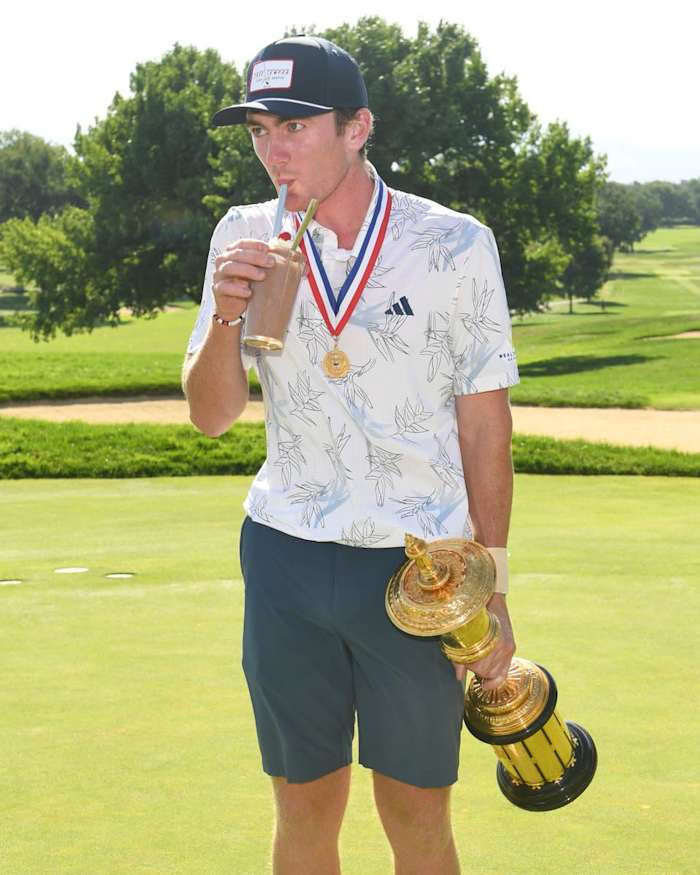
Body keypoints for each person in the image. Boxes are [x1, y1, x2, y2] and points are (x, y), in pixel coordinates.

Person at [183, 34, 519, 875]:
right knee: (303, 807)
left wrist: (495, 586)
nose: (274, 149)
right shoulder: (241, 234)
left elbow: (484, 427)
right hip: (287, 554)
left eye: (295, 125)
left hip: (421, 573)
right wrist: (226, 313)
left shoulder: (454, 243)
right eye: (260, 129)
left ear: (358, 126)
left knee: (415, 812)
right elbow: (213, 415)